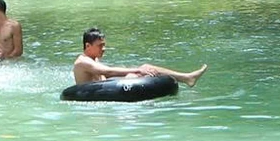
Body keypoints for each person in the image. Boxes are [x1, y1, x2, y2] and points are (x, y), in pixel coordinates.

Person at [73, 28, 206, 87]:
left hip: (103, 87)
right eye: (100, 46)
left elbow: (106, 75)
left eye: (104, 45)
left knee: (146, 68)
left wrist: (136, 70)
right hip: (91, 94)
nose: (104, 49)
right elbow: (107, 71)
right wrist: (137, 71)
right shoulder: (82, 62)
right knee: (139, 72)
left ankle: (187, 78)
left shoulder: (94, 59)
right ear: (88, 45)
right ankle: (187, 78)